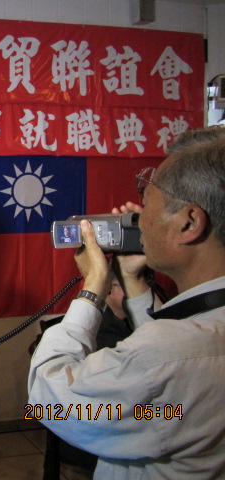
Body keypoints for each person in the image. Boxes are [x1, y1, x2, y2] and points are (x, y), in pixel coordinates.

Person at [28, 126, 225, 479]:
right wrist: (132, 278)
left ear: (189, 223)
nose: (136, 220)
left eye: (147, 204)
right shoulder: (193, 337)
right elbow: (167, 396)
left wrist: (93, 287)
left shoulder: (167, 355)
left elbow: (51, 399)